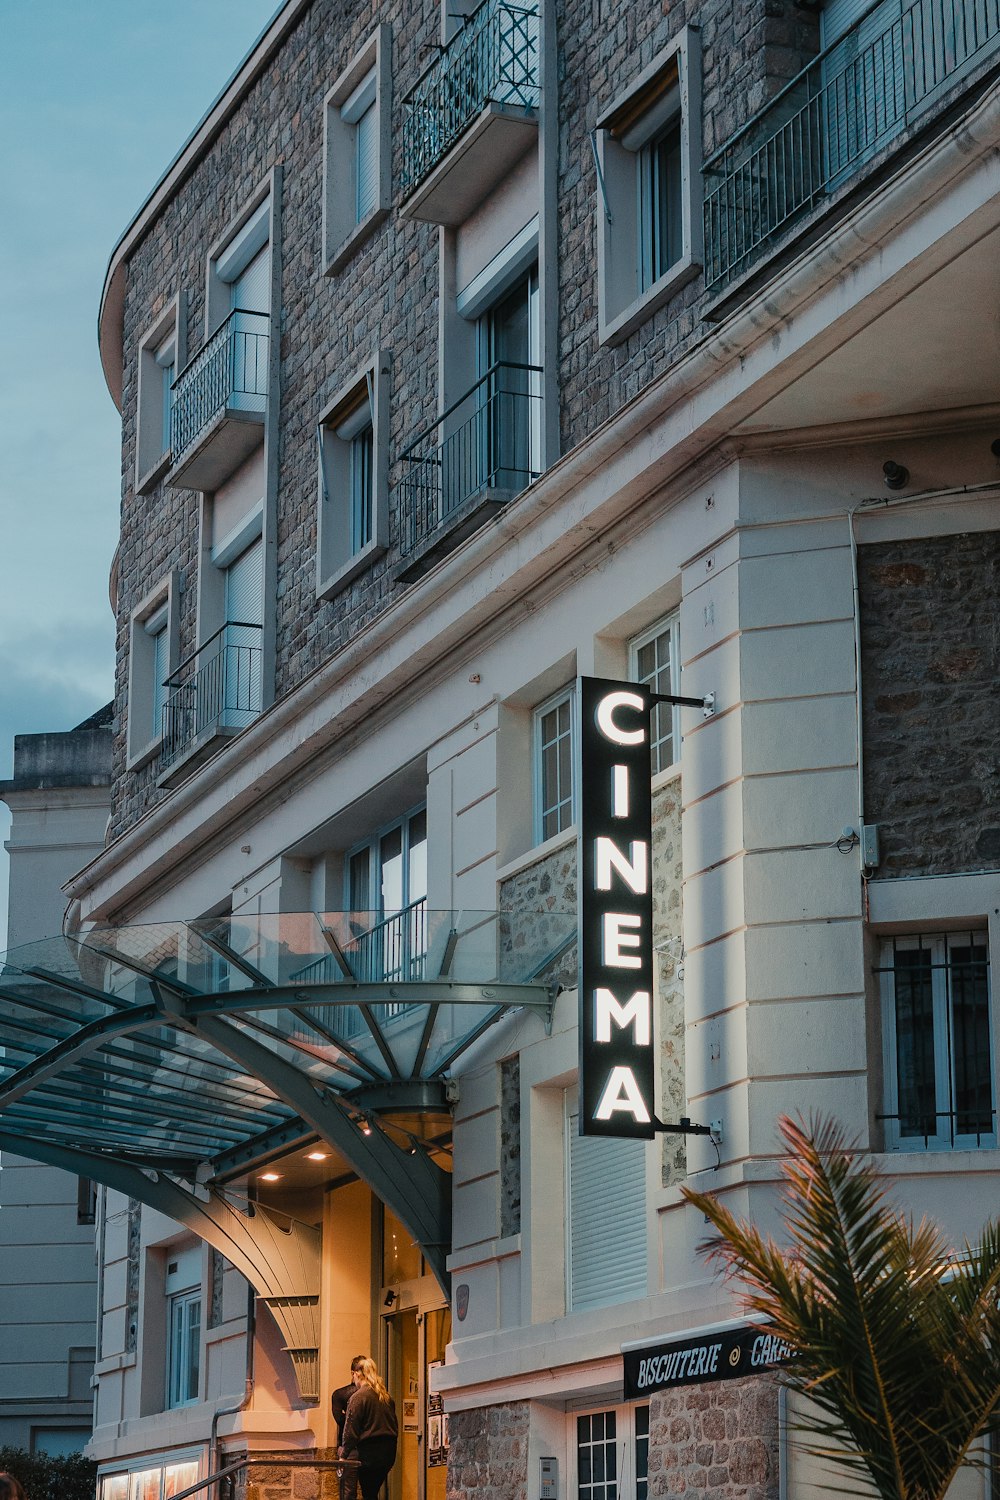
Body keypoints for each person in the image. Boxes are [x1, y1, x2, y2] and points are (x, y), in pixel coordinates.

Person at [339, 1354, 398, 1500]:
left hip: (369, 1452)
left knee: (369, 1492)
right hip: (388, 1452)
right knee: (371, 1492)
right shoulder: (385, 1396)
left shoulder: (359, 1397)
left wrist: (343, 1455)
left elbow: (350, 1431)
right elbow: (393, 1425)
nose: (354, 1381)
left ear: (356, 1374)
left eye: (353, 1377)